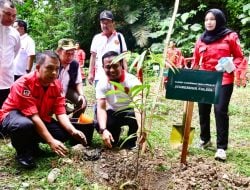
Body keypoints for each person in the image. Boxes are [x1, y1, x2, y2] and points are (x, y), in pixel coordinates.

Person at [0, 51, 87, 169]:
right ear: (38, 67)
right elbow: (33, 117)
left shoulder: (56, 85)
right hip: (14, 115)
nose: (54, 73)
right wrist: (51, 141)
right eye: (49, 68)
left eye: (57, 69)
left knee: (62, 133)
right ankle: (23, 153)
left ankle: (32, 145)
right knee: (23, 125)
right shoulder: (23, 84)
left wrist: (73, 131)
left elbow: (60, 111)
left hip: (38, 117)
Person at [192, 9, 244, 161]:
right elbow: (196, 62)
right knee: (203, 109)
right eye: (206, 19)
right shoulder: (201, 39)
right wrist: (189, 76)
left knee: (220, 110)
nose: (209, 22)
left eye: (212, 19)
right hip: (205, 79)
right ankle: (205, 139)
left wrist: (228, 65)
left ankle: (221, 148)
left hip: (224, 79)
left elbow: (239, 57)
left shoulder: (230, 36)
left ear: (219, 20)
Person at [96, 51, 142, 149]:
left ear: (121, 65)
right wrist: (103, 129)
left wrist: (141, 129)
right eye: (108, 67)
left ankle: (132, 140)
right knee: (98, 121)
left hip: (130, 111)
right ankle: (114, 133)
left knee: (135, 115)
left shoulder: (132, 81)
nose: (112, 70)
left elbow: (139, 107)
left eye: (115, 66)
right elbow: (101, 108)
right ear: (103, 67)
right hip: (113, 112)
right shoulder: (102, 83)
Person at [88, 10, 128, 86]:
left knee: (118, 97)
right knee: (101, 97)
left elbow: (124, 56)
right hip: (100, 76)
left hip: (117, 75)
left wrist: (126, 72)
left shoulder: (119, 36)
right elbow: (93, 57)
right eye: (102, 23)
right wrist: (90, 73)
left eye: (107, 23)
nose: (105, 25)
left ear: (113, 23)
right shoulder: (97, 38)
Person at [56, 38, 87, 118]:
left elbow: (78, 81)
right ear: (59, 51)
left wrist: (81, 95)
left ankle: (74, 121)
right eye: (67, 53)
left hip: (68, 89)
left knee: (82, 101)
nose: (70, 56)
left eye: (72, 54)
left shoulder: (75, 64)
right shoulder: (53, 62)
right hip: (52, 90)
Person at [0, 0, 21, 108]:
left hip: (7, 83)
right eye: (8, 14)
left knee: (4, 114)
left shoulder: (15, 34)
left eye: (14, 15)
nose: (12, 18)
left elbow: (15, 54)